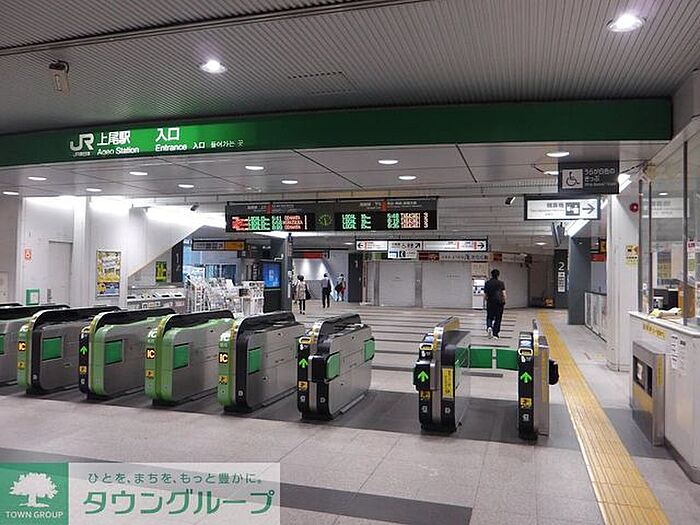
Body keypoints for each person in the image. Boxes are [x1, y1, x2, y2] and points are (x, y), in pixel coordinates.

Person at [484, 269, 506, 339]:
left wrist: (485, 302)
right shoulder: (501, 283)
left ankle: (489, 326)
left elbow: (485, 295)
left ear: (491, 275)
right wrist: (504, 301)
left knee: (489, 316)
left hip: (490, 303)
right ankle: (495, 334)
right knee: (498, 318)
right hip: (499, 304)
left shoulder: (487, 283)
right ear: (498, 275)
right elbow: (504, 294)